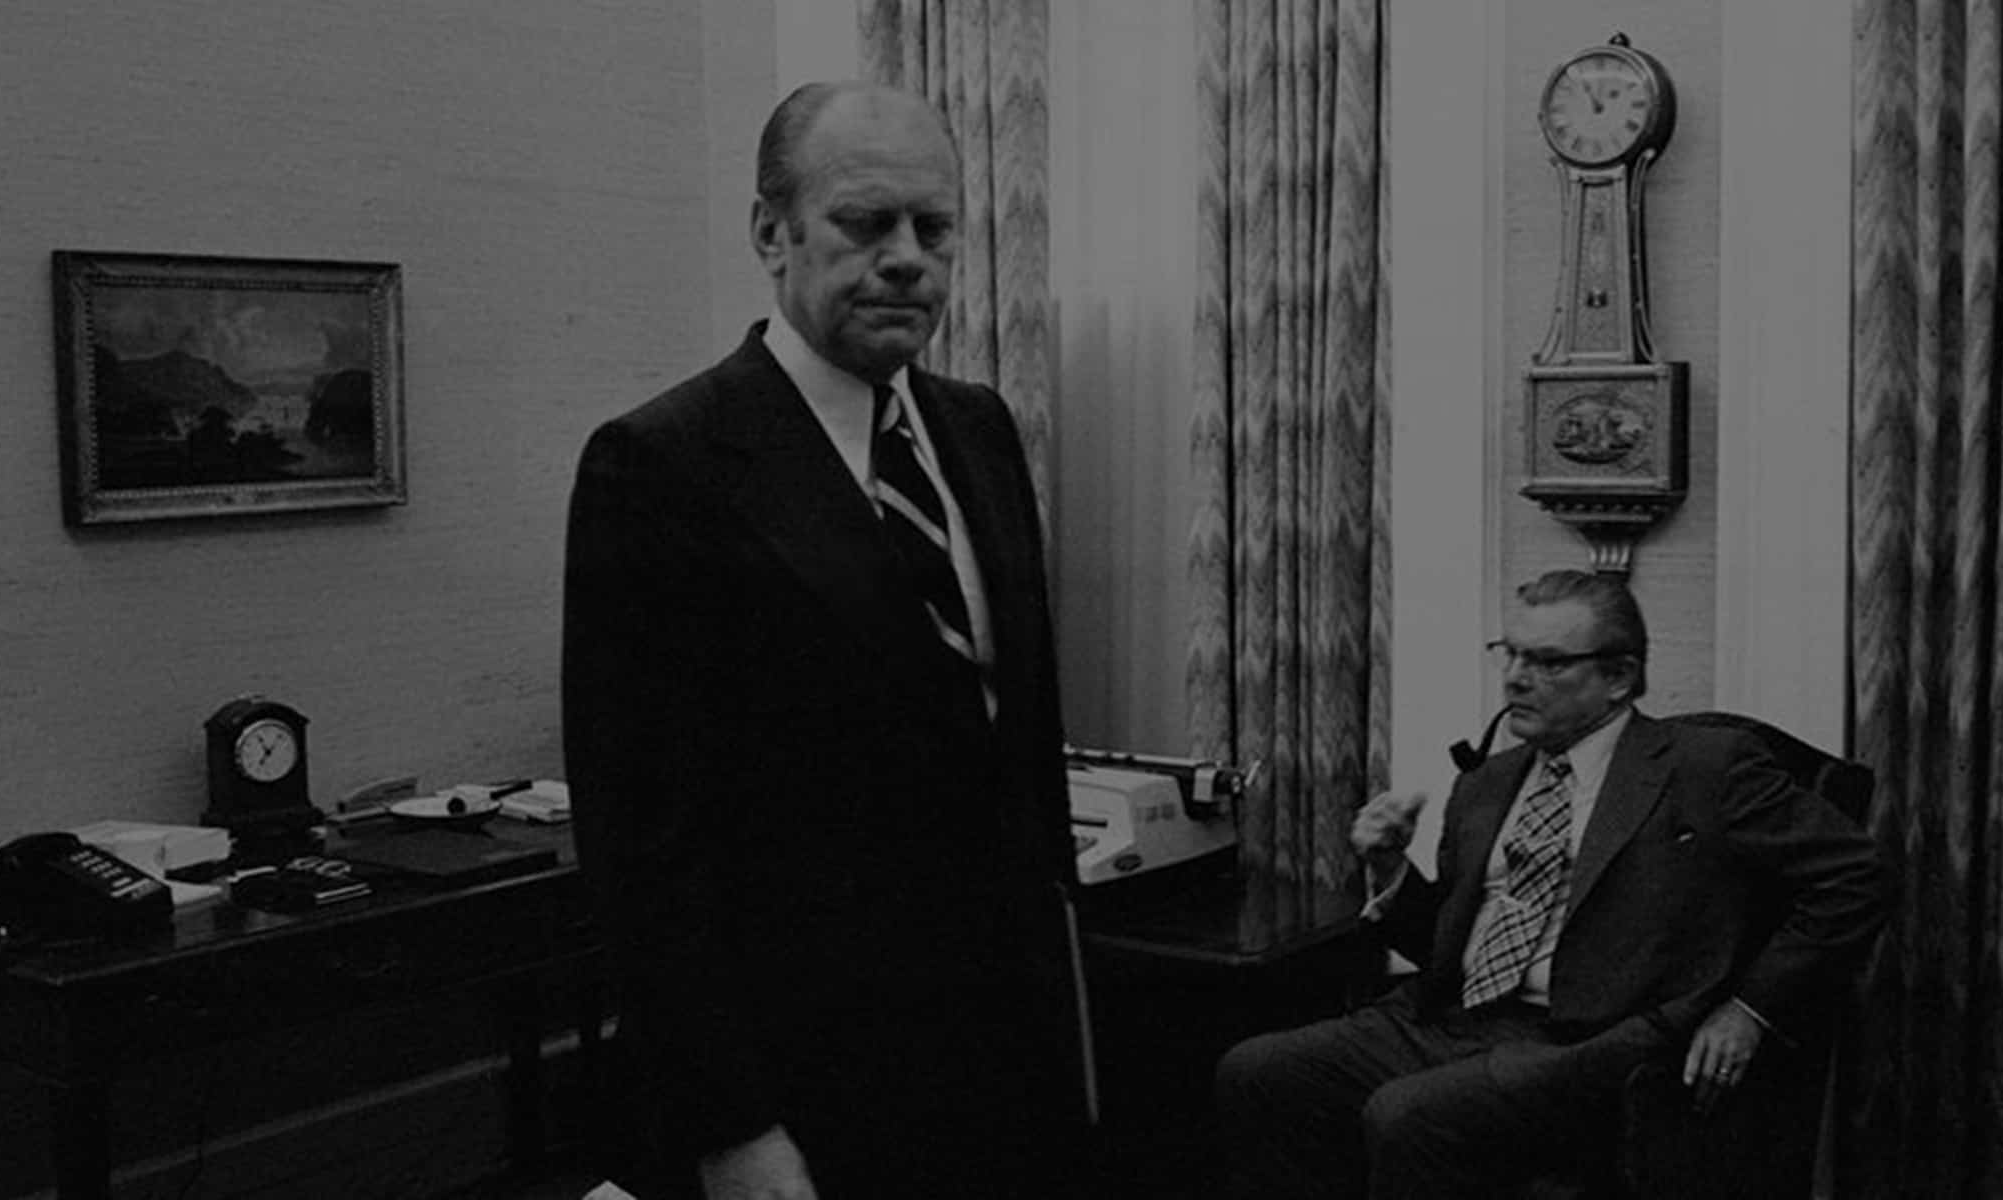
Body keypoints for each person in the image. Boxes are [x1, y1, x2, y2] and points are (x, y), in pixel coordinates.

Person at [563, 81, 1085, 1199]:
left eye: (933, 228)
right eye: (864, 223)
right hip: (803, 1079)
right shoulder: (664, 465)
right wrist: (731, 1124)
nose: (907, 258)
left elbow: (1015, 752)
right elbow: (644, 843)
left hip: (1001, 1056)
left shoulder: (979, 429)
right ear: (771, 231)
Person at [1215, 569, 1890, 1199]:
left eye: (1547, 662)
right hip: (1454, 1019)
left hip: (1593, 1037)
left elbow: (1859, 876)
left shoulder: (1706, 768)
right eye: (1509, 654)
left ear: (1619, 677)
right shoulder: (1487, 784)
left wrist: (1751, 1008)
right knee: (1261, 1071)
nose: (1515, 679)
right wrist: (1391, 869)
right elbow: (1444, 953)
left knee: (1409, 1115)